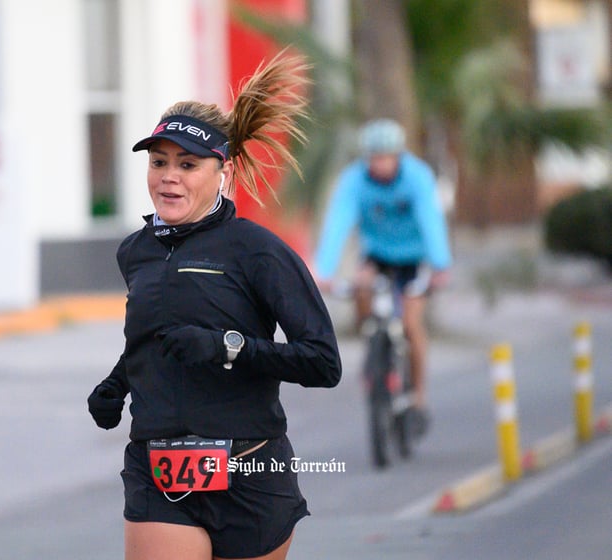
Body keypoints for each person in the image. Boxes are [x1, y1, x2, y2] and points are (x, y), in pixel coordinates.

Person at [87, 50, 342, 560]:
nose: (168, 176)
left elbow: (323, 362)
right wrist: (117, 383)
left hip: (252, 472)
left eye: (187, 164)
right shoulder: (136, 251)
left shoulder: (256, 250)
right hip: (159, 473)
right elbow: (149, 342)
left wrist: (229, 348)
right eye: (158, 162)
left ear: (221, 172)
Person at [313, 118, 452, 432]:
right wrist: (324, 269)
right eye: (374, 158)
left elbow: (431, 221)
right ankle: (374, 349)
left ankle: (418, 396)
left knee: (411, 324)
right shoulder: (354, 180)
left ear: (399, 156)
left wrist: (441, 265)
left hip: (413, 259)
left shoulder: (417, 177)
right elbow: (338, 221)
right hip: (377, 256)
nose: (381, 164)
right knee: (362, 289)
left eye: (387, 157)